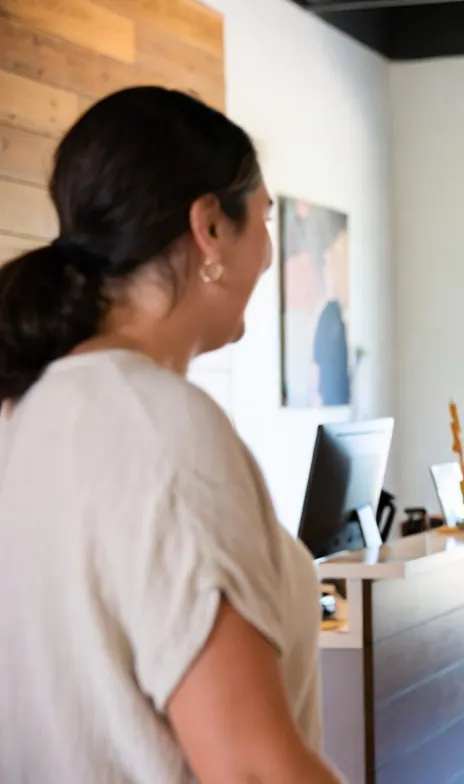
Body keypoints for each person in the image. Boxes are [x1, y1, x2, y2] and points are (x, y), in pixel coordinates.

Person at [0, 87, 340, 783]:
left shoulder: (34, 413)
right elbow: (252, 771)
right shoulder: (159, 426)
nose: (269, 255)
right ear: (209, 226)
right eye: (264, 219)